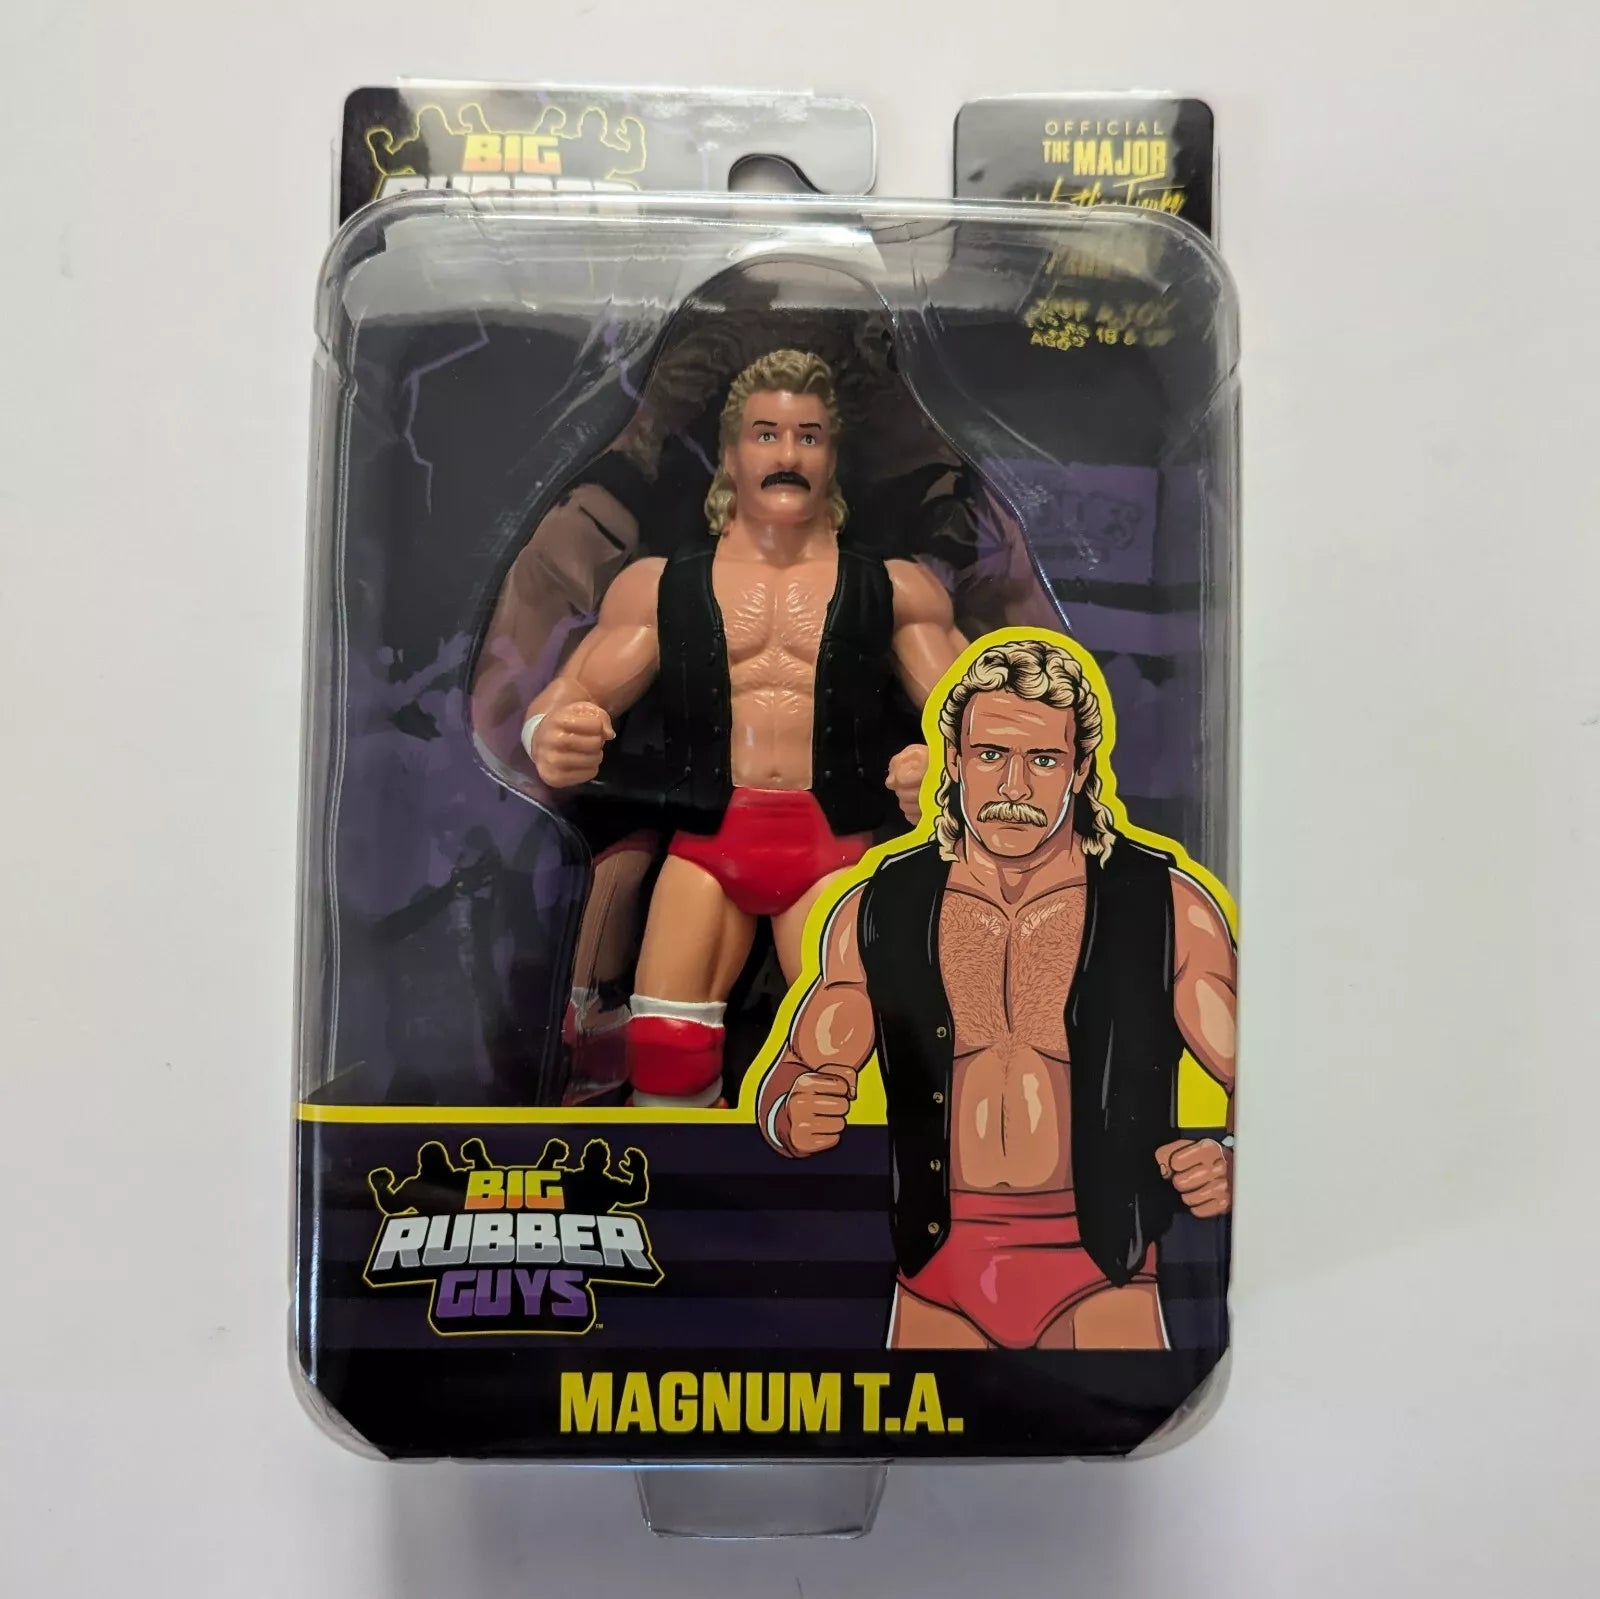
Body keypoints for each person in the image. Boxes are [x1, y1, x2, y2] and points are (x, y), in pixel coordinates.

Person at [756, 636, 1236, 1349]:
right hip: (937, 1272)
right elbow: (794, 1074)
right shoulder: (883, 907)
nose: (1013, 788)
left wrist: (1234, 1160)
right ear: (953, 761)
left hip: (1104, 1272)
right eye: (990, 755)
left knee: (1137, 1414)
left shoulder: (1165, 906)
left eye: (1042, 760)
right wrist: (790, 1114)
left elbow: (1268, 1083)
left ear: (1080, 770)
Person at [522, 350, 967, 1107]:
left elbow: (986, 711)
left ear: (833, 456)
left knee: (856, 1060)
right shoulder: (660, 586)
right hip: (707, 844)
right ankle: (677, 1177)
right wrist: (549, 733)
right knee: (664, 1048)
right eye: (767, 434)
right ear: (730, 454)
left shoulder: (895, 589)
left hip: (834, 850)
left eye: (808, 436)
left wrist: (949, 771)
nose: (788, 453)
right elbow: (571, 691)